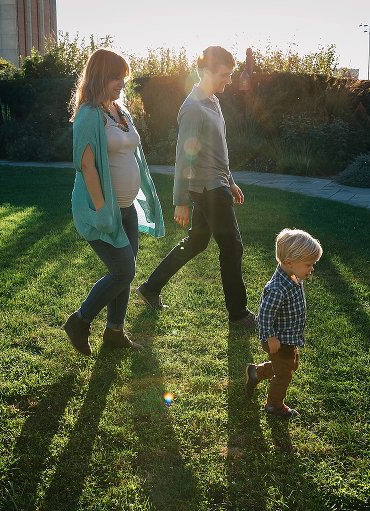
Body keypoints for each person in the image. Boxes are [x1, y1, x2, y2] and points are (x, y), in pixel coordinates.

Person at [136, 46, 255, 329]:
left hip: (217, 183)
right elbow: (184, 156)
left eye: (230, 74)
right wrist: (180, 200)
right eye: (224, 75)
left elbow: (217, 150)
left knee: (198, 241)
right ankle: (238, 315)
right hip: (208, 189)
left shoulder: (212, 101)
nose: (228, 80)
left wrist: (231, 180)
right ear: (205, 72)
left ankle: (150, 288)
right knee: (232, 246)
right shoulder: (192, 109)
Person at [63, 48, 165, 356]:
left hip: (127, 207)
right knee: (123, 272)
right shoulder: (88, 116)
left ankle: (115, 331)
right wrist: (102, 209)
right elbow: (87, 166)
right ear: (98, 76)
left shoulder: (119, 110)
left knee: (127, 270)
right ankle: (80, 321)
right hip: (101, 210)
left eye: (123, 77)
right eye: (114, 77)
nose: (121, 83)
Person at [245, 228, 323, 418]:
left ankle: (256, 372)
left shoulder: (293, 275)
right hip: (278, 339)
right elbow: (264, 315)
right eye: (309, 264)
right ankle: (274, 405)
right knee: (284, 375)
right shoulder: (277, 288)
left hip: (289, 337)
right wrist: (270, 337)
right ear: (289, 263)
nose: (311, 269)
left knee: (290, 365)